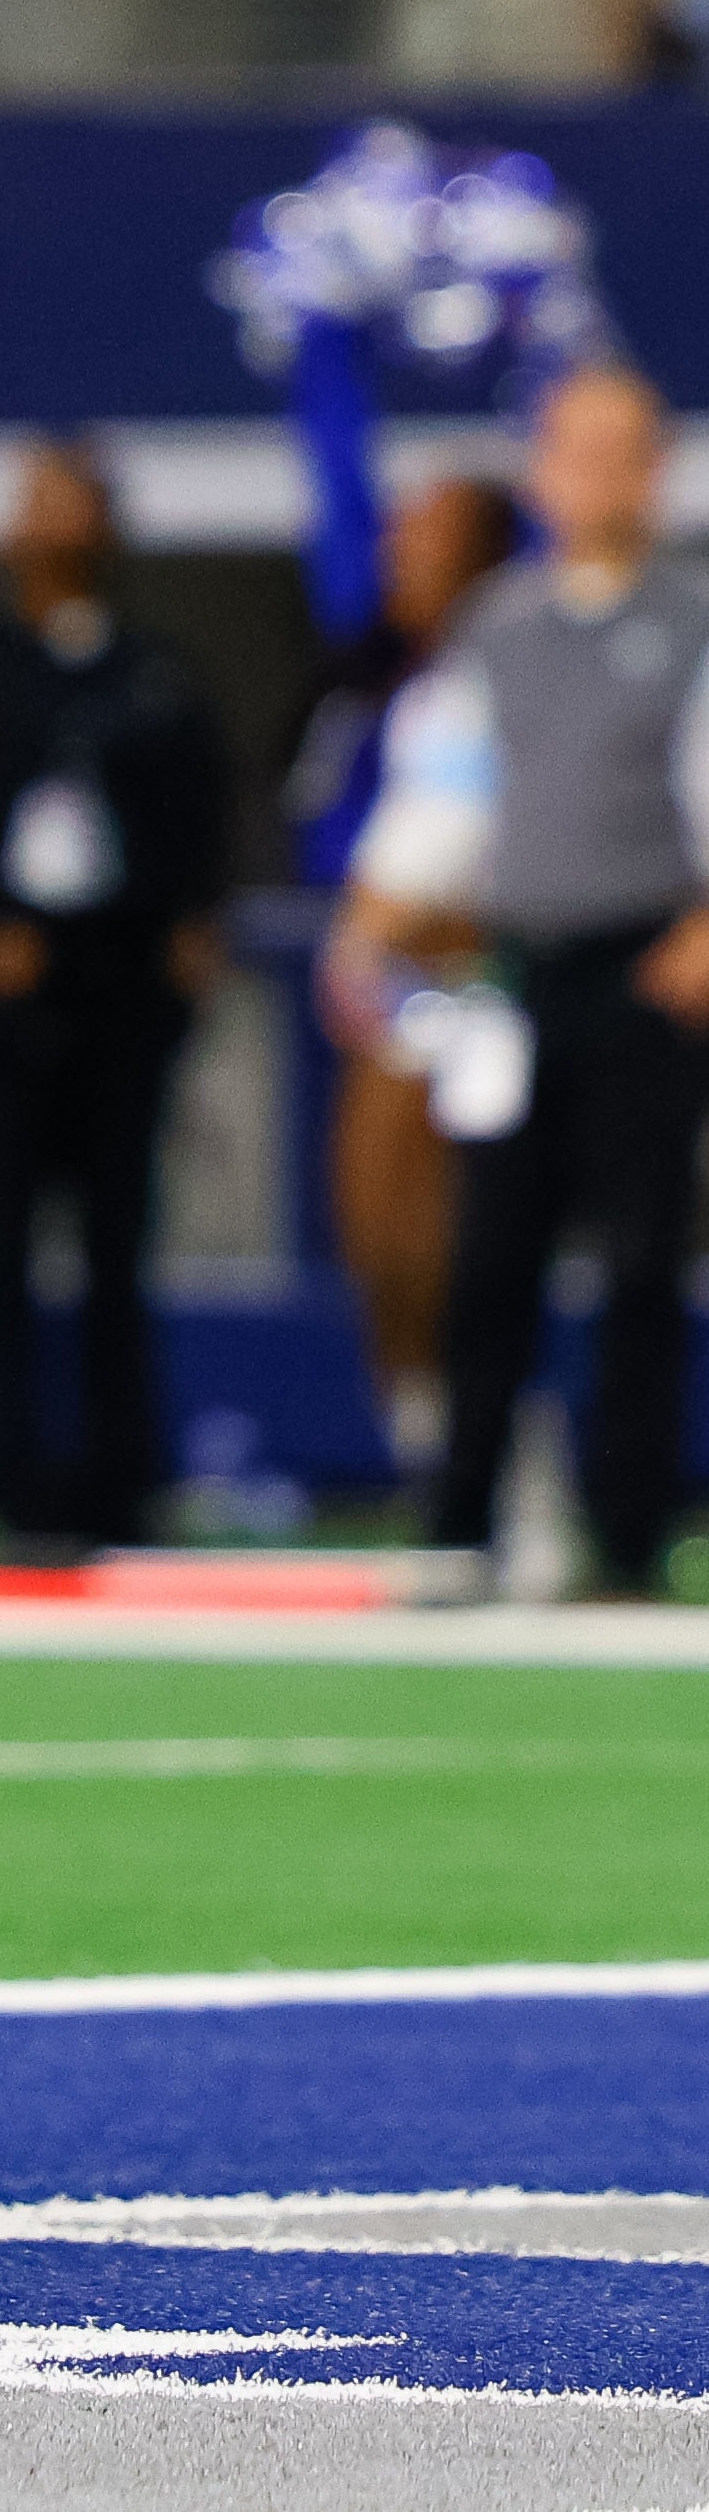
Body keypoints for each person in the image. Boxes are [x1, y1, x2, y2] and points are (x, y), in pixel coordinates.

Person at [343, 363, 706, 1598]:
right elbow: (447, 790)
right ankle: (462, 1517)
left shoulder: (690, 618)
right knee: (485, 1251)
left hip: (643, 970)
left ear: (652, 470)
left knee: (640, 1261)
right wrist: (372, 912)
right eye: (569, 449)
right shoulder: (496, 626)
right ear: (541, 471)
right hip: (517, 970)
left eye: (617, 450)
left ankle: (624, 1539)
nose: (591, 474)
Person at [0, 433, 231, 1550]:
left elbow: (201, 819)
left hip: (121, 984)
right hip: (5, 985)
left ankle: (119, 1475)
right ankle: (8, 1474)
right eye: (32, 505)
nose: (49, 529)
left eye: (70, 506)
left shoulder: (154, 670)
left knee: (114, 1235)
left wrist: (184, 923)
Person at [298, 469, 523, 1478]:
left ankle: (502, 1467)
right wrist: (357, 938)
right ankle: (434, 1454)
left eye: (423, 532)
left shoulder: (520, 674)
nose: (396, 550)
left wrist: (413, 925)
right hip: (395, 995)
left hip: (484, 982)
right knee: (374, 1233)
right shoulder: (416, 692)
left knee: (460, 1241)